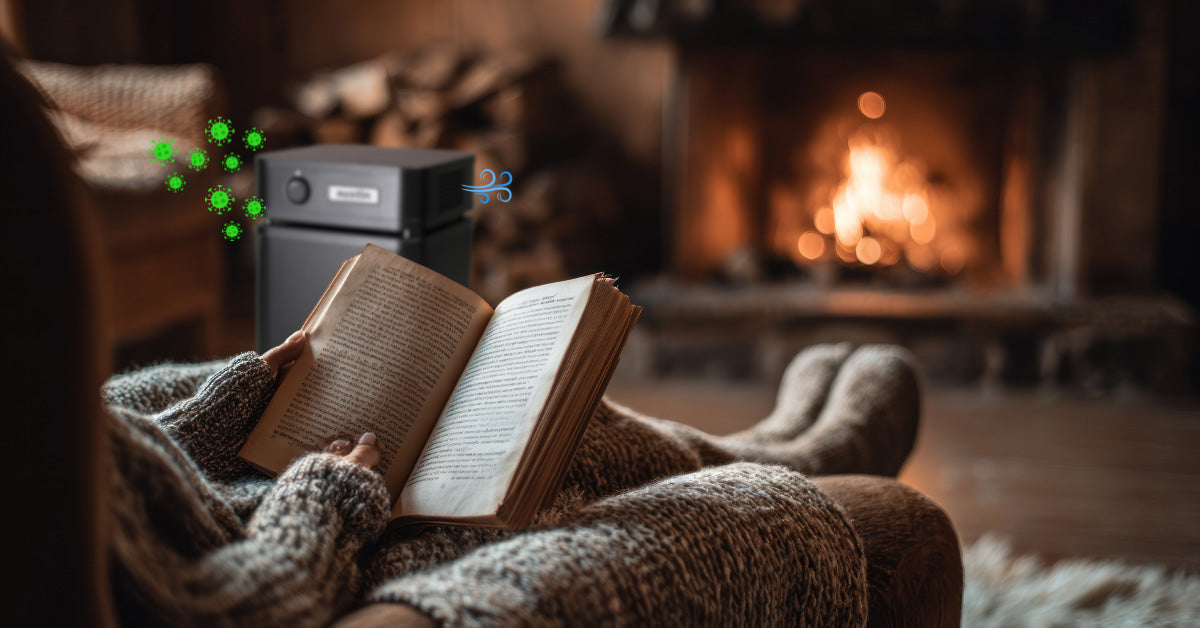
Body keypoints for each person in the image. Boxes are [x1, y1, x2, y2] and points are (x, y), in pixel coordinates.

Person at [2, 48, 961, 628]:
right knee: (505, 460)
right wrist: (328, 502)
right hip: (280, 544)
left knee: (534, 411)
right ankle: (794, 461)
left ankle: (769, 447)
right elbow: (238, 614)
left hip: (205, 487)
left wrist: (224, 402)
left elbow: (77, 454)